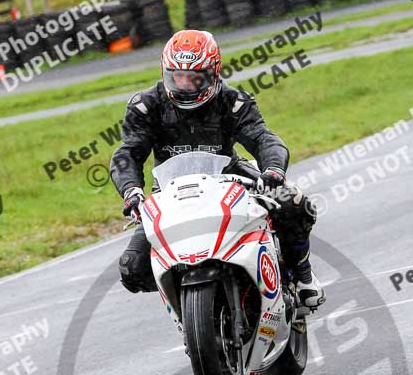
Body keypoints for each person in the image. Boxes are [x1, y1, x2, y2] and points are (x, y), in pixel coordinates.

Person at [110, 29, 325, 309]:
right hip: (169, 190)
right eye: (177, 76)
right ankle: (189, 301)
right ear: (165, 72)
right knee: (132, 269)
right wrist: (131, 191)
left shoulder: (233, 102)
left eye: (195, 77)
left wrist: (273, 170)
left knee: (293, 202)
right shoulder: (146, 106)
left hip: (230, 176)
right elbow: (128, 153)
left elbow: (263, 138)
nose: (185, 85)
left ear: (213, 72)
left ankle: (301, 276)